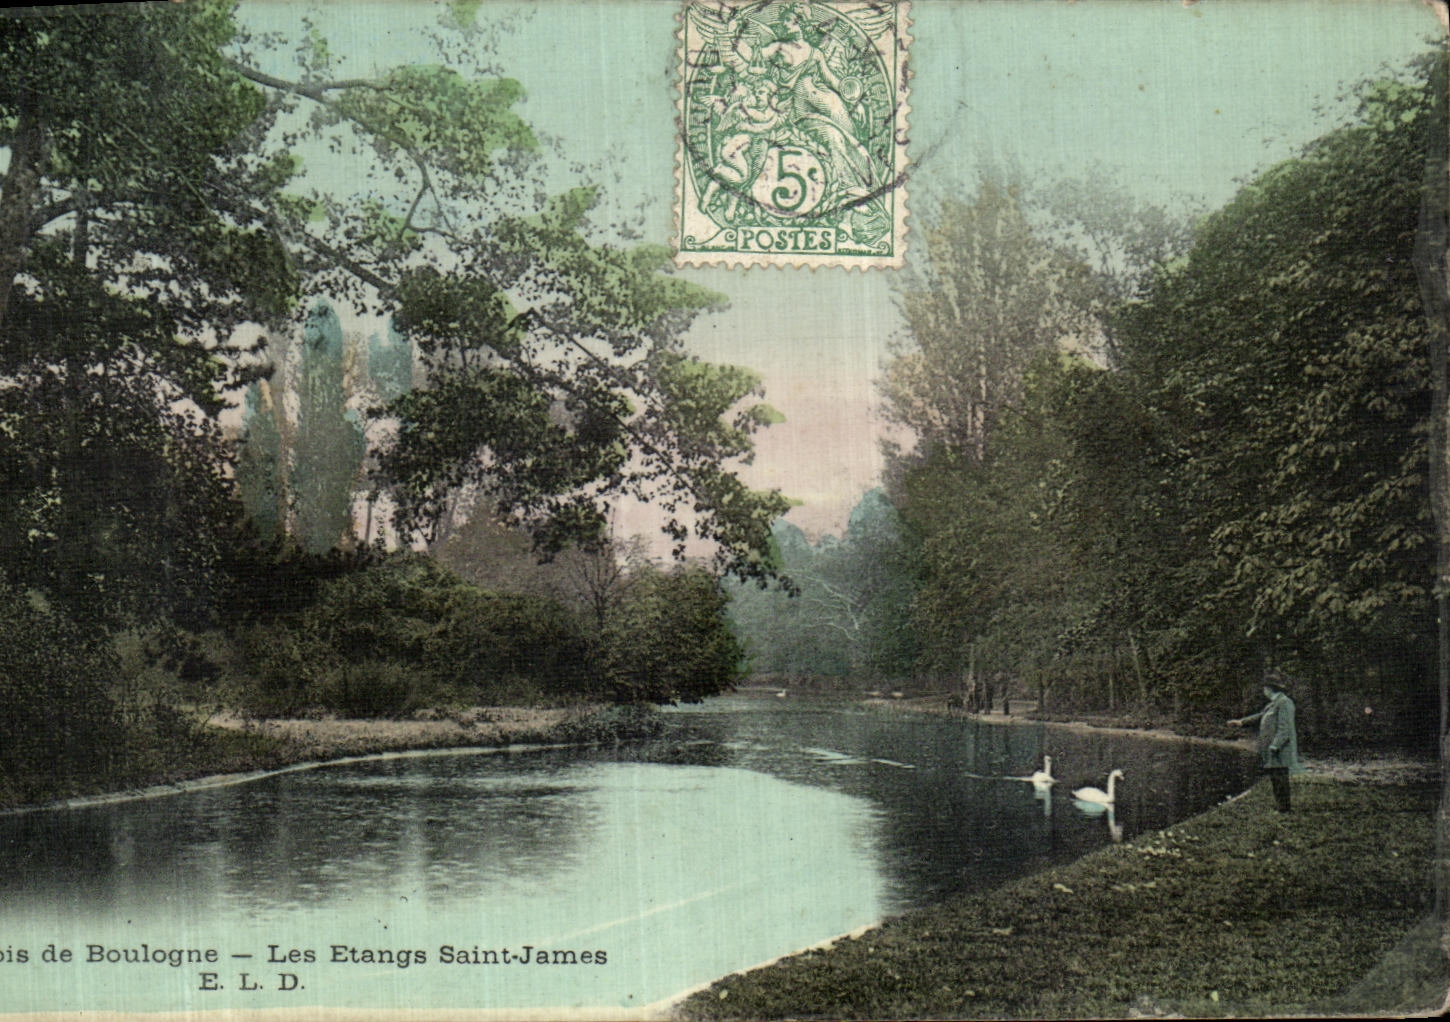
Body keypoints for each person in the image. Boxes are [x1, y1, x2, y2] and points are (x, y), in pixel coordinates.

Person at [1229, 673, 1304, 812]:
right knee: (1275, 778)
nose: (1263, 691)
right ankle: (1281, 807)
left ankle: (1284, 809)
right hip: (1273, 748)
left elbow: (1285, 728)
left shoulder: (1284, 702)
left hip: (1280, 749)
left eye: (1264, 688)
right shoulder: (1273, 703)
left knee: (1280, 778)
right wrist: (1241, 722)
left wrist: (1276, 745)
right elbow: (1260, 716)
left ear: (1269, 688)